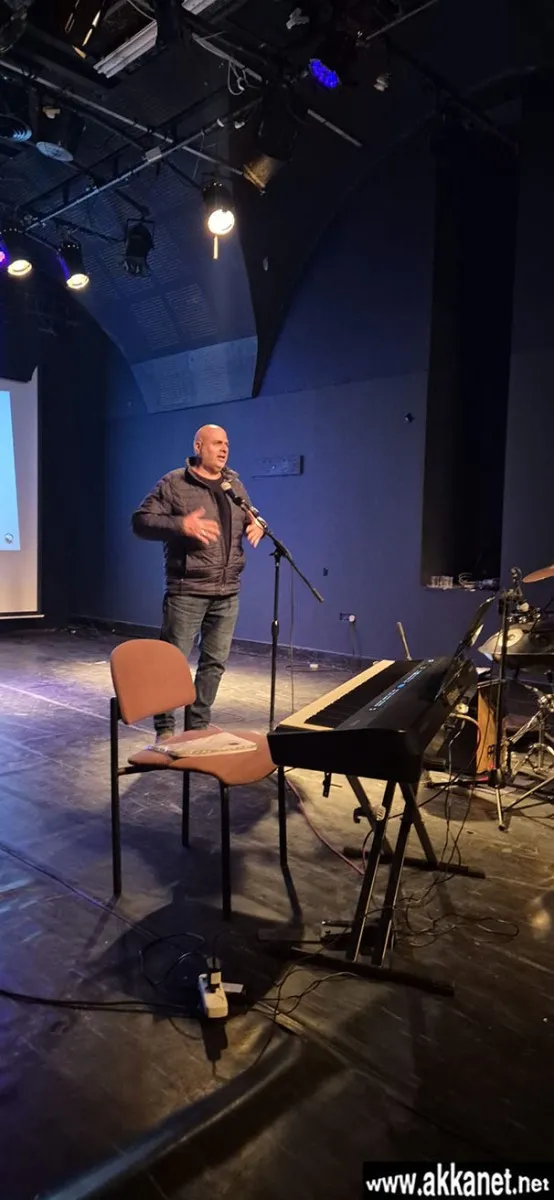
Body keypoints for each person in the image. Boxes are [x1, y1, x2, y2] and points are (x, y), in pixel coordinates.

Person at [132, 424, 264, 738]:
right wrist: (181, 525)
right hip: (187, 591)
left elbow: (250, 512)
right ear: (198, 446)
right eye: (217, 443)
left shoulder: (233, 484)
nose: (224, 449)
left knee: (214, 664)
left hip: (227, 591)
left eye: (226, 444)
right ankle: (165, 729)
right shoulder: (175, 482)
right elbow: (141, 522)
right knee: (171, 663)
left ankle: (197, 727)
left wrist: (258, 522)